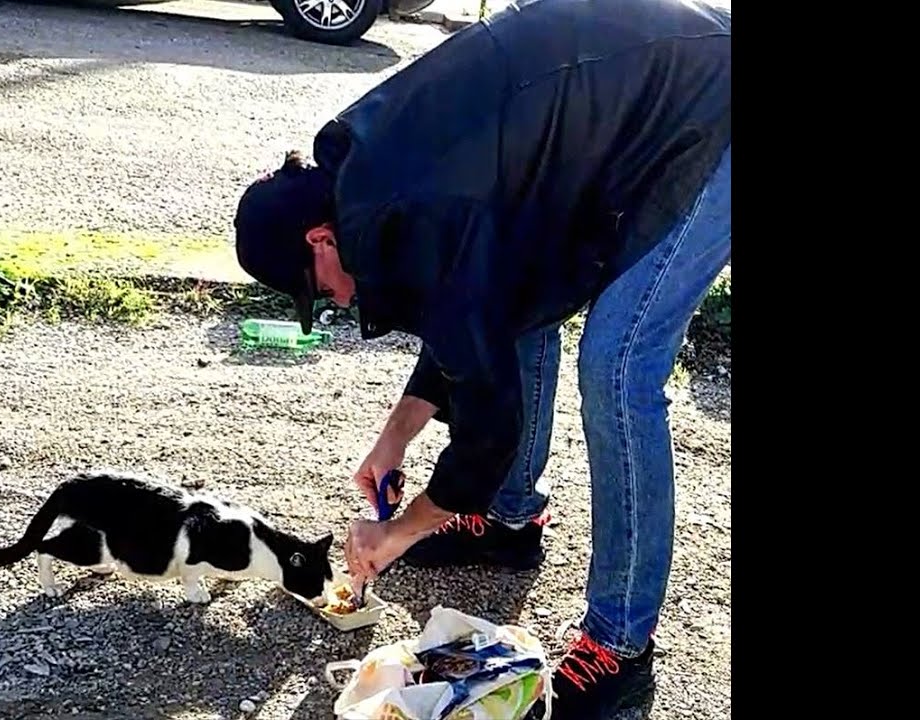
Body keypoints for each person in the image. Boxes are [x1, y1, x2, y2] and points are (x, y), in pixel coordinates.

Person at [230, 0, 729, 717]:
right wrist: (394, 439)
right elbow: (470, 315)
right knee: (521, 320)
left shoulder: (415, 204)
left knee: (618, 366)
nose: (337, 301)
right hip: (647, 90)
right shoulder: (366, 181)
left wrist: (398, 532)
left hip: (709, 105)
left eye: (322, 293)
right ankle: (508, 521)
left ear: (319, 241)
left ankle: (622, 643)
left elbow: (487, 418)